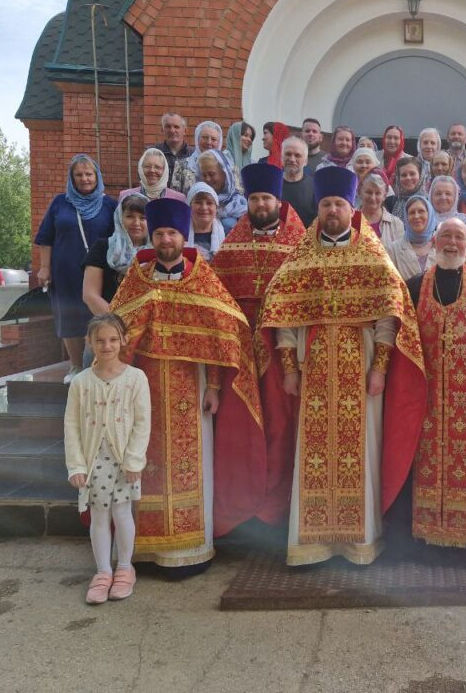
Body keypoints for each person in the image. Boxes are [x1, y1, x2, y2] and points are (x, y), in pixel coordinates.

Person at [259, 166, 427, 566]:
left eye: (339, 203)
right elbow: (284, 319)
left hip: (360, 370)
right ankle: (312, 545)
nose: (333, 210)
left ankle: (359, 543)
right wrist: (289, 369)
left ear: (351, 207)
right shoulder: (300, 261)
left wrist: (380, 369)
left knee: (361, 456)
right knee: (311, 453)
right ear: (318, 209)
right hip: (313, 370)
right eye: (326, 204)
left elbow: (389, 317)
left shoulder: (372, 256)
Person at [110, 198, 262, 576]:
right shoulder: (136, 279)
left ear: (183, 236)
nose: (165, 239)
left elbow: (222, 333)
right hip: (142, 390)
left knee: (190, 466)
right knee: (144, 464)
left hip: (190, 389)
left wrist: (214, 386)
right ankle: (144, 549)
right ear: (151, 234)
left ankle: (190, 548)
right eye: (159, 232)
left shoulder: (203, 278)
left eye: (172, 233)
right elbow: (114, 332)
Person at [210, 163, 307, 527]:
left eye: (266, 197)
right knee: (241, 428)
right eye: (254, 198)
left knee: (281, 426)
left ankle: (276, 511)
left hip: (283, 352)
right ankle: (240, 507)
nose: (260, 203)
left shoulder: (299, 244)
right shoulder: (233, 244)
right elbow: (216, 294)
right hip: (241, 350)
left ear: (278, 200)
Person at [406, 218, 466, 549]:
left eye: (459, 237)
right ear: (434, 241)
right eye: (445, 235)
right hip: (424, 399)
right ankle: (423, 539)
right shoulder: (414, 286)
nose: (451, 242)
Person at [64, 313, 150, 604]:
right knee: (99, 515)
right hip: (92, 461)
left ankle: (125, 568)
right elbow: (72, 426)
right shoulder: (81, 382)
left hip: (124, 462)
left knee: (122, 512)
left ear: (123, 340)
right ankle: (103, 572)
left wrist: (134, 461)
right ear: (89, 342)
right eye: (100, 340)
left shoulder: (136, 378)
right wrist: (76, 465)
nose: (107, 345)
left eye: (113, 339)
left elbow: (142, 423)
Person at [35, 153, 117, 383]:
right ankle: (75, 366)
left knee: (98, 315)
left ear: (97, 176)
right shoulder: (60, 203)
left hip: (100, 271)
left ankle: (98, 364)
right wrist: (44, 268)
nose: (84, 179)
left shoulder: (110, 204)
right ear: (72, 178)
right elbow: (46, 238)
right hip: (66, 270)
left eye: (88, 174)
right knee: (69, 316)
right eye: (79, 175)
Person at [82, 193, 150, 317]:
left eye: (143, 218)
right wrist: (117, 323)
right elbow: (90, 294)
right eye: (130, 216)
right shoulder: (102, 247)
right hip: (109, 325)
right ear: (119, 218)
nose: (136, 222)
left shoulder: (157, 252)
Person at [385, 195, 438, 280]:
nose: (416, 216)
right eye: (412, 213)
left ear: (430, 214)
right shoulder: (393, 250)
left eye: (421, 211)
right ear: (406, 217)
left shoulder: (442, 246)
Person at [196, 149, 246, 233]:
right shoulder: (196, 201)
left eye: (211, 174)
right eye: (204, 175)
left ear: (225, 173)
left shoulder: (239, 204)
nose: (207, 179)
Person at [170, 120, 225, 193]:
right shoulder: (181, 166)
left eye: (213, 139)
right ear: (197, 139)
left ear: (219, 143)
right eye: (205, 138)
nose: (209, 142)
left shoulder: (227, 167)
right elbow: (175, 196)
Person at [119, 147, 186, 202]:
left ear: (165, 170)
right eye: (147, 166)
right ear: (141, 169)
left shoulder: (178, 199)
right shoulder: (125, 196)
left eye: (157, 167)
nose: (152, 170)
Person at [358, 172, 404, 247]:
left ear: (384, 196)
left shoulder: (396, 224)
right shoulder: (348, 221)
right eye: (368, 192)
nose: (373, 198)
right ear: (360, 192)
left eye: (378, 193)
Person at [280, 136, 317, 227]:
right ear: (281, 157)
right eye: (288, 154)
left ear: (306, 161)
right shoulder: (271, 184)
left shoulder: (315, 186)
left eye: (297, 155)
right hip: (276, 239)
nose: (292, 159)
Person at [185, 182, 225, 261]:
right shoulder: (180, 235)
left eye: (209, 203)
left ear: (216, 208)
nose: (204, 207)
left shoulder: (227, 236)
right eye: (198, 202)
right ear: (189, 206)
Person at [430, 175, 466, 241]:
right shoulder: (424, 222)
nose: (443, 197)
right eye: (438, 194)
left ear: (455, 197)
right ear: (431, 197)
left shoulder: (465, 222)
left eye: (448, 194)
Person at [385, 155, 427, 223]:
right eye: (404, 175)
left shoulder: (428, 202)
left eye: (412, 174)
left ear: (420, 175)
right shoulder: (390, 203)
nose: (408, 178)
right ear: (398, 178)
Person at [153, 112, 193, 178]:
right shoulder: (153, 153)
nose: (172, 130)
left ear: (185, 131)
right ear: (162, 130)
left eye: (176, 127)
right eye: (168, 126)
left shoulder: (194, 155)